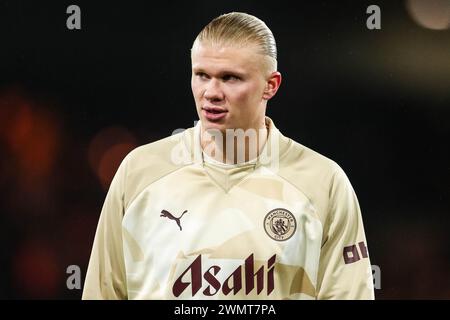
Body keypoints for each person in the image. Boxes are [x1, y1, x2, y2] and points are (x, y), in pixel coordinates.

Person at [82, 12, 374, 300]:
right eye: (202, 75)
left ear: (271, 85)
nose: (211, 92)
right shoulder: (140, 171)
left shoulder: (323, 183)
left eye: (230, 78)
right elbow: (103, 292)